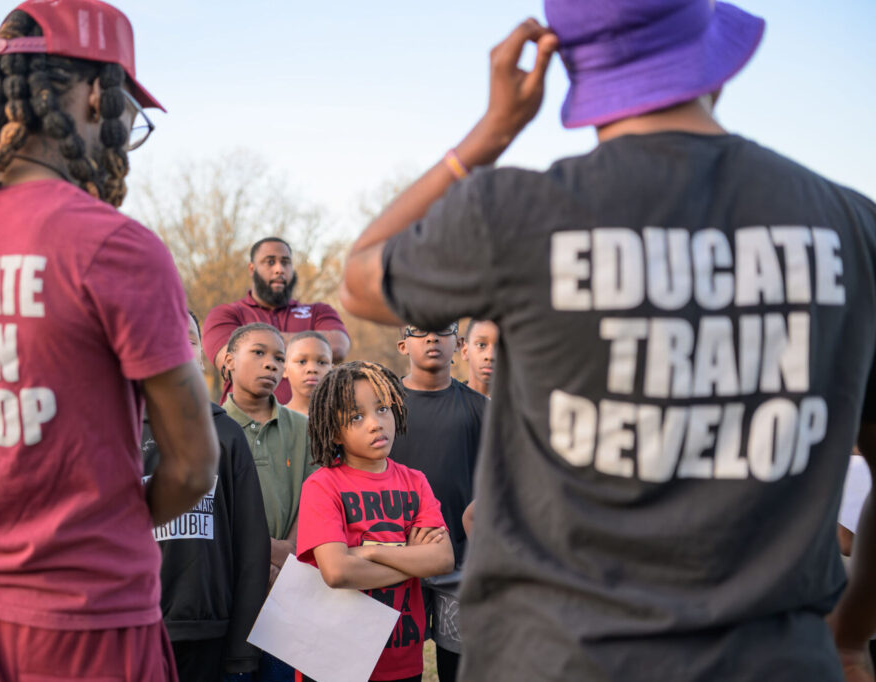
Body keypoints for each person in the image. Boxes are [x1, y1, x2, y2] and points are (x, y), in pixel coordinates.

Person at [339, 0, 876, 679]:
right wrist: (851, 632)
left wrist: (491, 131)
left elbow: (360, 279)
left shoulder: (519, 214)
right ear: (709, 57)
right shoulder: (851, 225)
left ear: (572, 67)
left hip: (553, 659)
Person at [0, 2, 219, 680]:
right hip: (84, 621)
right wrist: (105, 525)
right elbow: (194, 464)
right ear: (98, 93)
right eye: (127, 108)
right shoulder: (114, 245)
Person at [296, 361, 454, 682]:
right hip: (333, 658)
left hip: (401, 656)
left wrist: (369, 552)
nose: (375, 423)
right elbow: (338, 572)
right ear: (335, 432)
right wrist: (411, 556)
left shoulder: (415, 481)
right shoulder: (322, 485)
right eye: (356, 417)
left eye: (382, 409)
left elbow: (442, 558)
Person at [142, 312, 270, 682]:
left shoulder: (226, 434)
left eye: (190, 339)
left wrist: (243, 650)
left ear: (201, 355)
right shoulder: (115, 432)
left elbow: (251, 549)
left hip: (211, 633)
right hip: (134, 628)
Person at [390, 322, 485, 681]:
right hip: (392, 561)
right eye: (420, 331)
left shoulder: (479, 408)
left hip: (459, 564)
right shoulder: (383, 406)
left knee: (459, 668)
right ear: (403, 345)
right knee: (395, 672)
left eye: (442, 330)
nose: (432, 338)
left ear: (458, 343)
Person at [221, 322, 313, 682]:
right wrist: (265, 556)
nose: (271, 365)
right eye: (258, 353)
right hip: (231, 586)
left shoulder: (303, 428)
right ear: (228, 360)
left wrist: (287, 555)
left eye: (279, 357)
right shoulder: (210, 426)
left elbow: (314, 493)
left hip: (288, 588)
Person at [204, 237, 351, 404]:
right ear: (252, 268)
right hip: (245, 425)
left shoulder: (318, 311)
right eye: (270, 262)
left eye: (286, 262)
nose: (279, 269)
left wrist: (255, 345)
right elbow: (231, 361)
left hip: (312, 424)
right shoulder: (226, 314)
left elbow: (338, 347)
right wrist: (311, 346)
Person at [283, 331, 334, 417]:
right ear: (284, 369)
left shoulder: (343, 419)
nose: (312, 369)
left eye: (322, 362)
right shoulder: (276, 420)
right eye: (302, 362)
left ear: (332, 371)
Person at [460, 319, 497, 398]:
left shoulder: (523, 406)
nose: (490, 356)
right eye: (481, 345)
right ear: (465, 351)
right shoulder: (446, 405)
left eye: (500, 347)